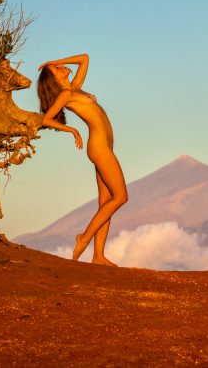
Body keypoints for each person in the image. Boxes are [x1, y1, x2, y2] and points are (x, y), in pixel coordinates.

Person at [37, 54, 128, 266]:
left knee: (106, 202)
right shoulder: (66, 94)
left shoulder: (75, 87)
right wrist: (71, 129)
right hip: (99, 147)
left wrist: (53, 60)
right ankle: (84, 237)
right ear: (55, 80)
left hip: (106, 146)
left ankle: (98, 256)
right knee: (121, 197)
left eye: (59, 66)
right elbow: (46, 119)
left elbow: (85, 58)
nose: (61, 67)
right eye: (57, 69)